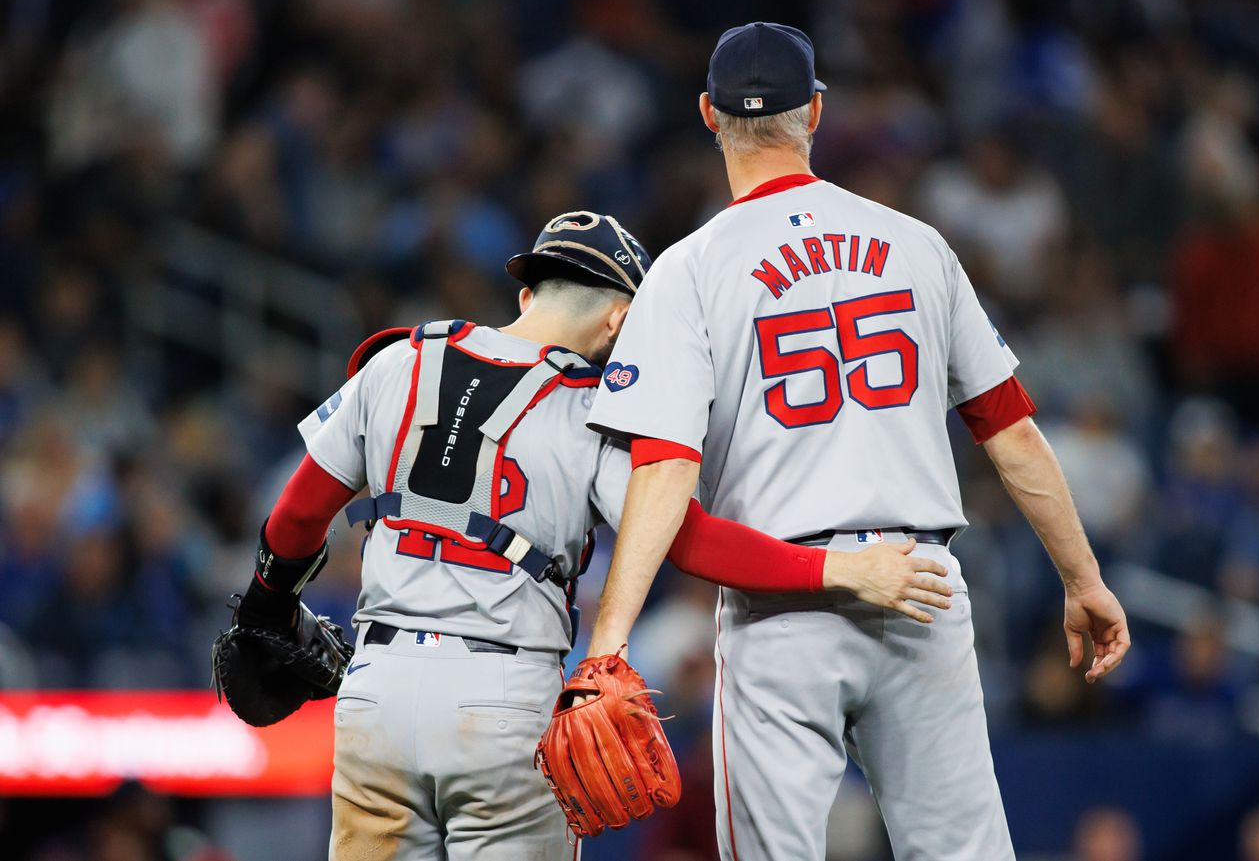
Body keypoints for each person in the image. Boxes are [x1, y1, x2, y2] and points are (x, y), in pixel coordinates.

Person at [229, 211, 942, 861]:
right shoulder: (595, 413)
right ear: (619, 320)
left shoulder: (396, 361)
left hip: (375, 694)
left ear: (527, 295)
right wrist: (841, 569)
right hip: (501, 700)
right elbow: (688, 541)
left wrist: (266, 606)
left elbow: (295, 516)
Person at [580, 22, 1132, 861]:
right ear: (816, 113)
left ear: (707, 114)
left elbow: (662, 470)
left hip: (782, 606)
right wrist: (1081, 576)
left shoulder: (690, 269)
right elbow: (1011, 430)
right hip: (922, 588)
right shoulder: (918, 244)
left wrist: (609, 639)